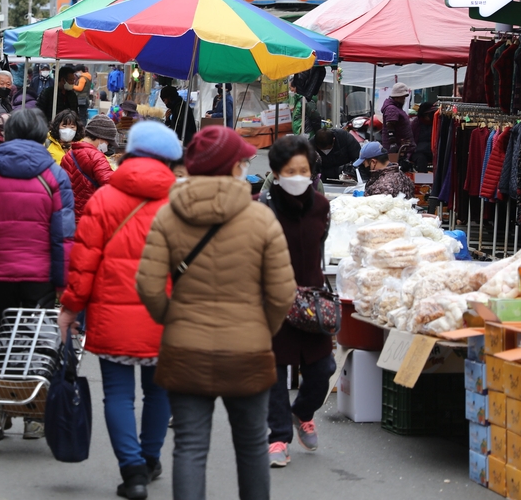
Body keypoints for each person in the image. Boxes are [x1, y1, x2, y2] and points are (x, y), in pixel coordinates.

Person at [136, 125, 296, 500]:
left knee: (190, 446)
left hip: (185, 348)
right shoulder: (261, 219)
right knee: (253, 444)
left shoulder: (169, 216)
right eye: (240, 161)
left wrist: (172, 319)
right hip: (248, 350)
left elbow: (147, 285)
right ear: (231, 168)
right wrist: (261, 329)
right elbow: (282, 292)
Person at [58, 121, 181, 499]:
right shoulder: (181, 201)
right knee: (159, 393)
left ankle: (133, 473)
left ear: (128, 154)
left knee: (118, 395)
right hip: (167, 313)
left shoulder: (105, 199)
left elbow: (83, 262)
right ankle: (150, 458)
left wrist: (70, 308)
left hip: (111, 312)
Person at [0, 108, 75, 439]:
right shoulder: (54, 173)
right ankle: (35, 412)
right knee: (37, 341)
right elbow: (63, 237)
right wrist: (64, 284)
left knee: (5, 338)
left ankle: (4, 406)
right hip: (41, 278)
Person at [256, 135, 333, 469]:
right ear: (276, 172)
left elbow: (321, 246)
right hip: (273, 299)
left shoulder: (322, 205)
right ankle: (278, 438)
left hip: (312, 299)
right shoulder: (263, 207)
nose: (298, 176)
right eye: (291, 170)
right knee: (275, 371)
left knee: (322, 368)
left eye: (304, 169)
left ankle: (302, 411)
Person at [61, 115, 117, 219]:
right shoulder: (97, 157)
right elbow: (111, 186)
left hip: (69, 216)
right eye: (108, 142)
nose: (107, 146)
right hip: (89, 216)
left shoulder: (68, 155)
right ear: (101, 138)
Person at [381, 82, 414, 162]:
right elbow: (390, 126)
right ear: (397, 97)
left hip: (401, 148)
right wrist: (393, 144)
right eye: (403, 97)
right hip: (397, 150)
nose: (404, 100)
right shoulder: (391, 109)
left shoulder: (396, 107)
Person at [410, 100, 437, 173]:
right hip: (419, 152)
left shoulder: (436, 123)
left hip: (433, 151)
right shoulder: (415, 124)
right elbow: (411, 140)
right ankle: (422, 182)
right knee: (421, 159)